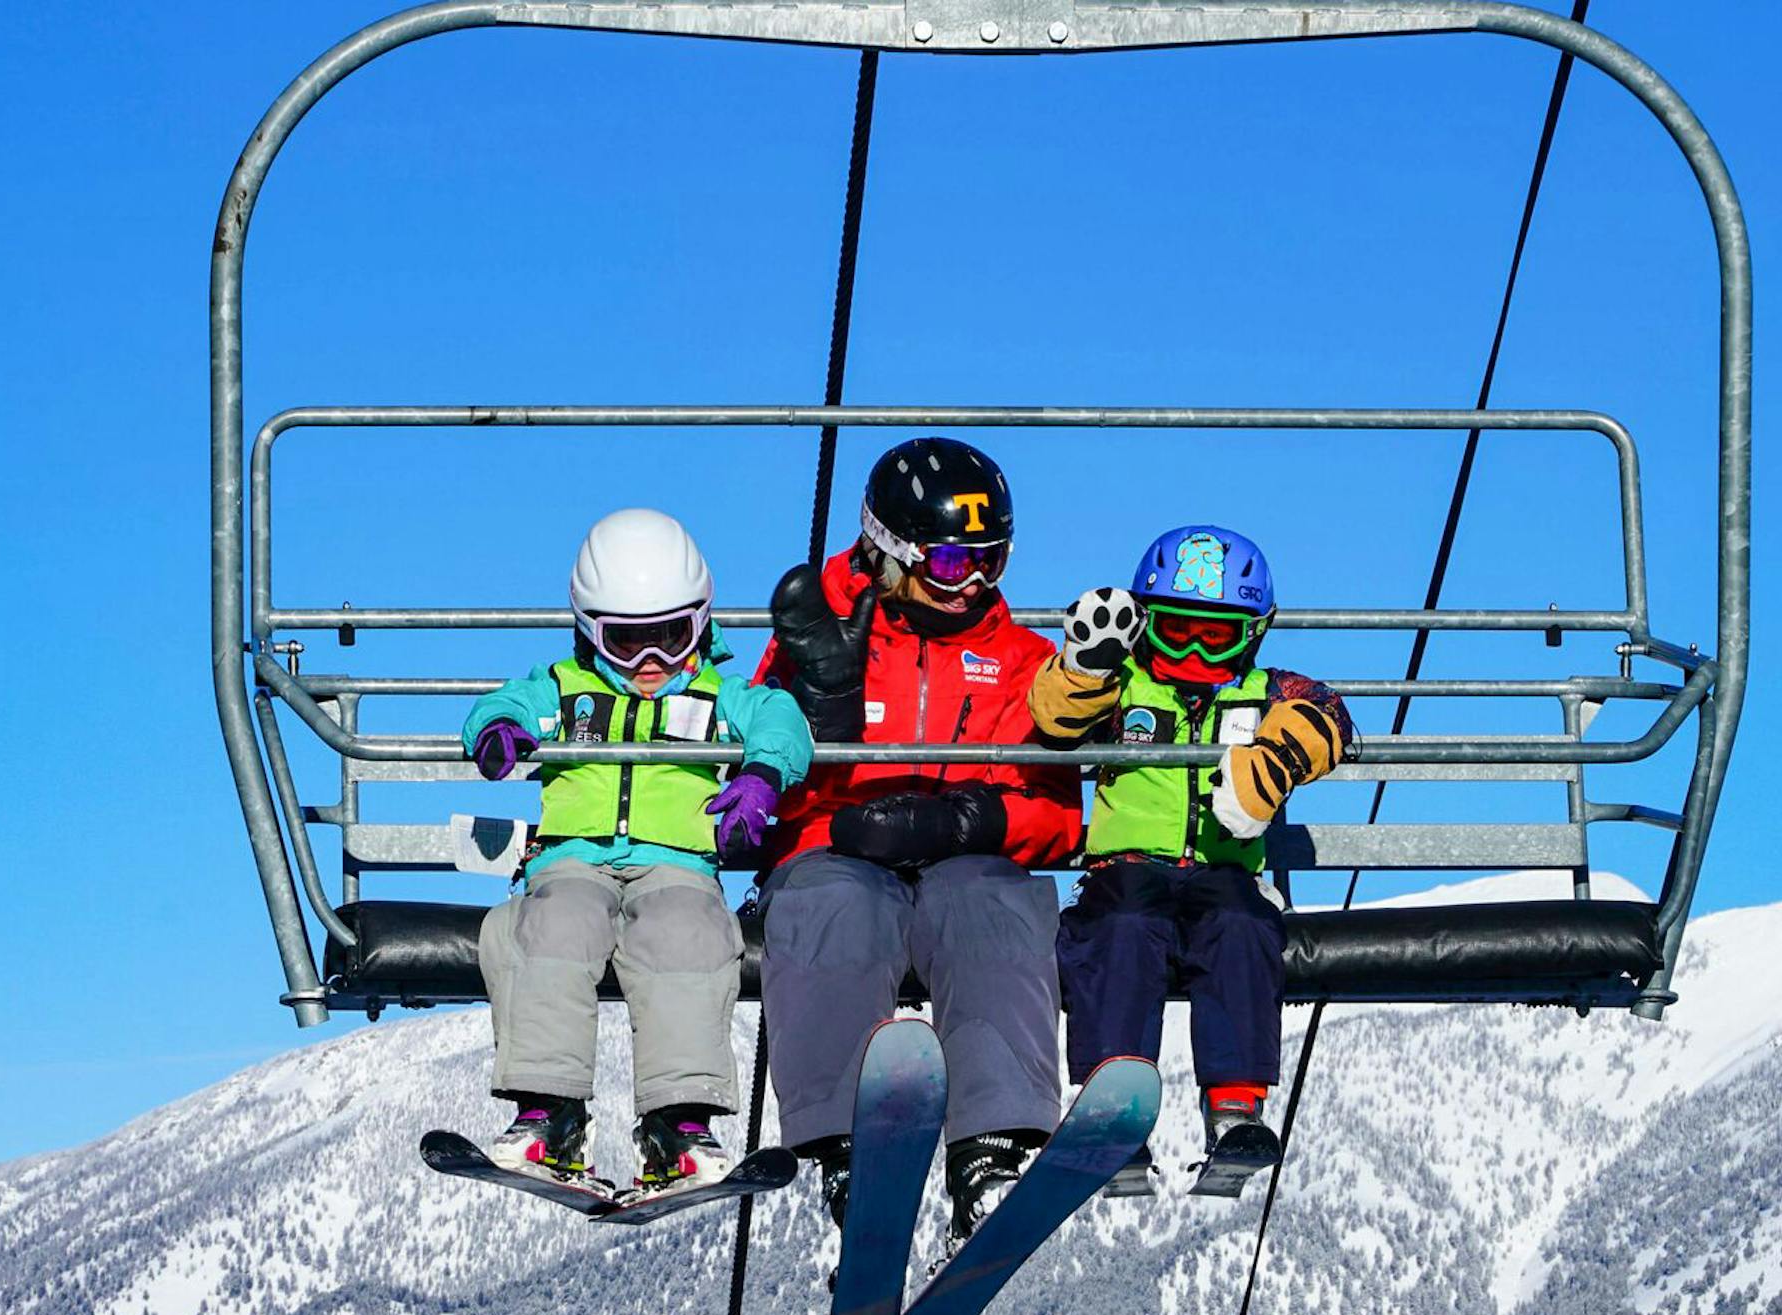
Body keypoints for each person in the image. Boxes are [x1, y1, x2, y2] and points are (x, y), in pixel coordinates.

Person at [755, 438, 1103, 1243]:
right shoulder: (819, 631)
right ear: (889, 548)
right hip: (835, 847)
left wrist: (973, 820)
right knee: (830, 904)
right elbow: (762, 783)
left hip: (964, 862)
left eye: (993, 560)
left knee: (995, 903)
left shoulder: (1022, 661)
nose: (974, 584)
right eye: (951, 563)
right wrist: (818, 714)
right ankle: (846, 1149)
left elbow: (1058, 816)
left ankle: (991, 1147)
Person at [463, 508, 812, 1192]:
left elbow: (783, 719)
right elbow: (500, 702)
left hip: (676, 865)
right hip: (572, 860)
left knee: (688, 937)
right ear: (592, 633)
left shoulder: (717, 694)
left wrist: (762, 774)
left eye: (671, 637)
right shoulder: (566, 689)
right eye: (628, 643)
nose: (651, 663)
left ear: (701, 623)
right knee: (552, 927)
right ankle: (550, 1115)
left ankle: (677, 1126)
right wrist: (498, 729)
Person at [1030, 525, 1354, 1181]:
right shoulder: (1123, 686)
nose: (1196, 650)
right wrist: (1086, 666)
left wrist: (1277, 758)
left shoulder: (1265, 690)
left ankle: (1235, 1103)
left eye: (1218, 635)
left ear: (1253, 633)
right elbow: (1053, 717)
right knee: (1117, 933)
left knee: (1243, 928)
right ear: (1146, 624)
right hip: (1125, 870)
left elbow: (1331, 718)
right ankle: (1109, 1108)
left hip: (1224, 870)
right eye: (1177, 631)